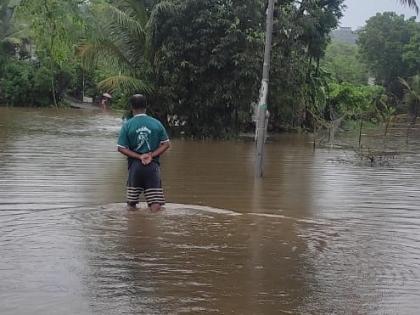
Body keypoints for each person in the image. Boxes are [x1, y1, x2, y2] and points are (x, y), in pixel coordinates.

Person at [117, 94, 170, 212]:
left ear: (132, 107)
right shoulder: (157, 123)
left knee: (131, 203)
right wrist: (151, 155)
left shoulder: (127, 125)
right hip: (152, 166)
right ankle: (153, 223)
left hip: (135, 167)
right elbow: (166, 144)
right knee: (155, 203)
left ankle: (133, 226)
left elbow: (121, 148)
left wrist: (139, 156)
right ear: (146, 106)